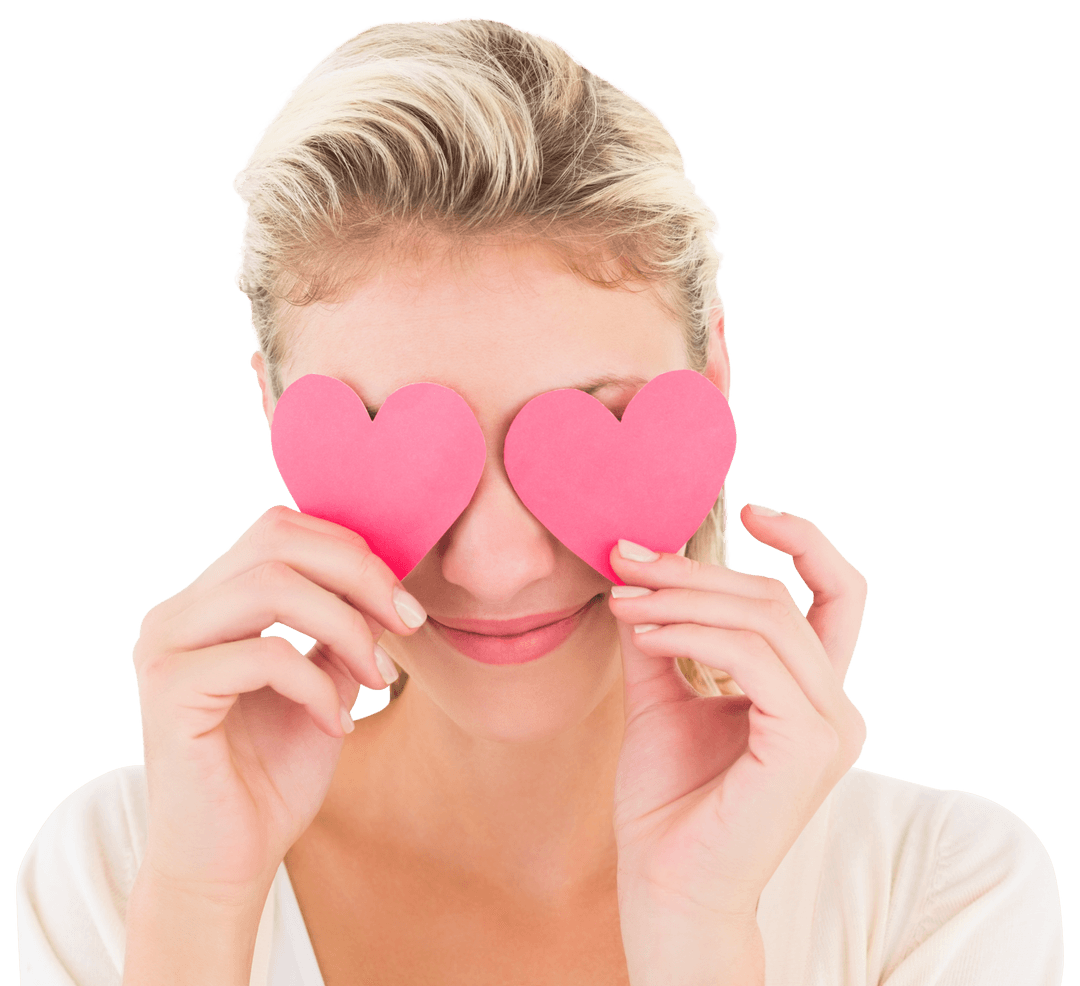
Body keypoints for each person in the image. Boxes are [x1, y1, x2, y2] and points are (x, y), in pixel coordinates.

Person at [15, 17, 1064, 986]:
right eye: (417, 447)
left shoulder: (942, 889)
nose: (495, 561)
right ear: (272, 407)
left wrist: (699, 924)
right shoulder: (128, 863)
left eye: (583, 420)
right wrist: (199, 907)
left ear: (716, 373)